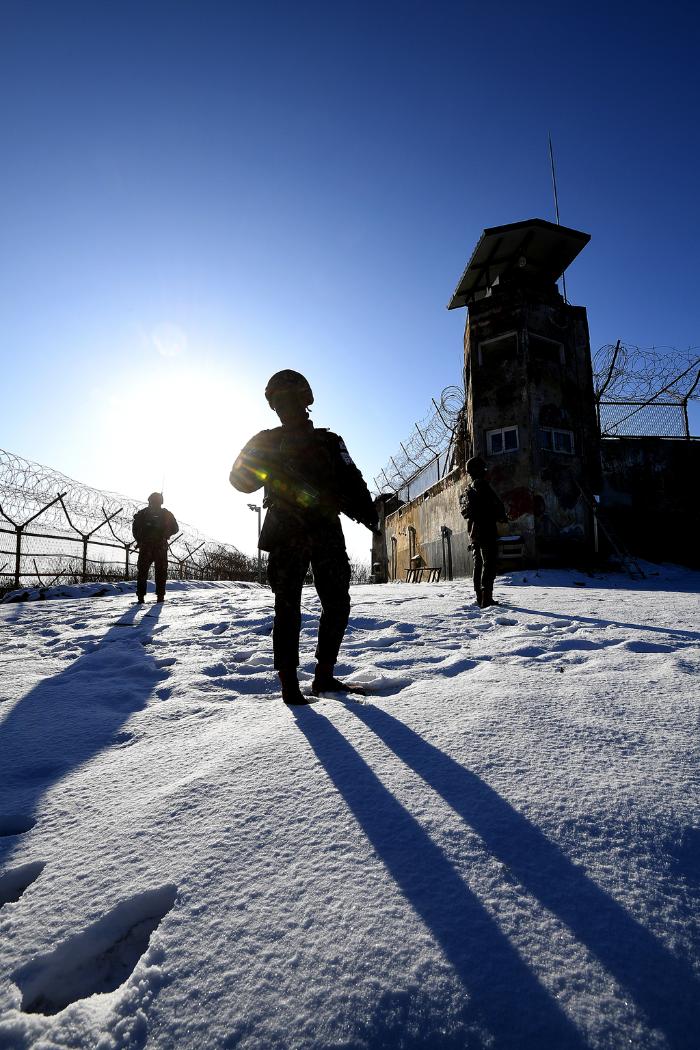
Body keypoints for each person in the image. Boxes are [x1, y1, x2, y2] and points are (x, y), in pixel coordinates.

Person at [230, 370, 379, 705]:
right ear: (273, 405)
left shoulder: (329, 441)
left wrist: (370, 514)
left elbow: (353, 480)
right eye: (280, 401)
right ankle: (289, 685)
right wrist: (269, 465)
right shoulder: (265, 440)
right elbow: (238, 480)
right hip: (286, 529)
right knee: (287, 607)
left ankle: (324, 676)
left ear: (305, 400)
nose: (287, 407)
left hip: (325, 527)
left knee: (338, 603)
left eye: (292, 399)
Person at [459, 457, 508, 608]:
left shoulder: (468, 489)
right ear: (479, 470)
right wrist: (501, 515)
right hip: (485, 529)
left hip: (474, 531)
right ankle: (486, 598)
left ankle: (480, 597)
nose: (486, 472)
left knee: (479, 564)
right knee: (489, 563)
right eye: (483, 469)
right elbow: (492, 505)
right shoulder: (481, 485)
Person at [132, 492, 179, 604]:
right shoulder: (165, 514)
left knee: (143, 572)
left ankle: (141, 597)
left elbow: (135, 529)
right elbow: (176, 528)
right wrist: (167, 533)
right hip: (159, 547)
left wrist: (140, 540)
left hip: (147, 547)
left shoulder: (143, 513)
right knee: (160, 572)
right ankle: (160, 596)